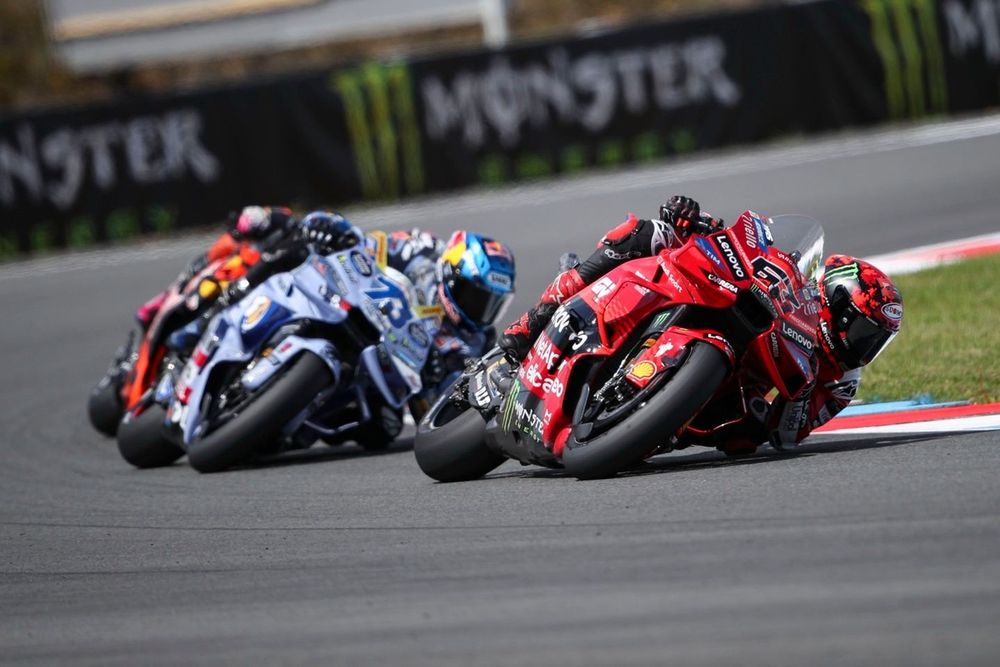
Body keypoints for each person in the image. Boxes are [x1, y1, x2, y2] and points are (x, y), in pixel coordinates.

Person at [498, 195, 903, 454]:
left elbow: (786, 436)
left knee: (748, 433)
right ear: (835, 302)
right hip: (721, 309)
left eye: (874, 341)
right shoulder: (799, 293)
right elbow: (746, 247)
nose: (862, 347)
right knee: (646, 235)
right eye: (863, 332)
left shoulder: (841, 384)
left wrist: (796, 394)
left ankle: (644, 421)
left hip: (727, 399)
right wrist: (696, 220)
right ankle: (531, 323)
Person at [184, 210, 516, 417]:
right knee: (295, 249)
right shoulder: (424, 251)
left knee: (379, 428)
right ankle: (218, 309)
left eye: (491, 303)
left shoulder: (476, 341)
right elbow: (372, 246)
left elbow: (452, 399)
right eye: (475, 296)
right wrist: (337, 232)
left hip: (381, 375)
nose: (480, 310)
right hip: (356, 308)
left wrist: (438, 375)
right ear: (452, 273)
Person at [134, 205, 296, 329]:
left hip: (256, 270)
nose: (247, 239)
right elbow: (209, 258)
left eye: (250, 236)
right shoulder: (233, 240)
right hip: (237, 266)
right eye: (243, 236)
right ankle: (163, 302)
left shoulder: (282, 221)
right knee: (204, 281)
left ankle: (204, 319)